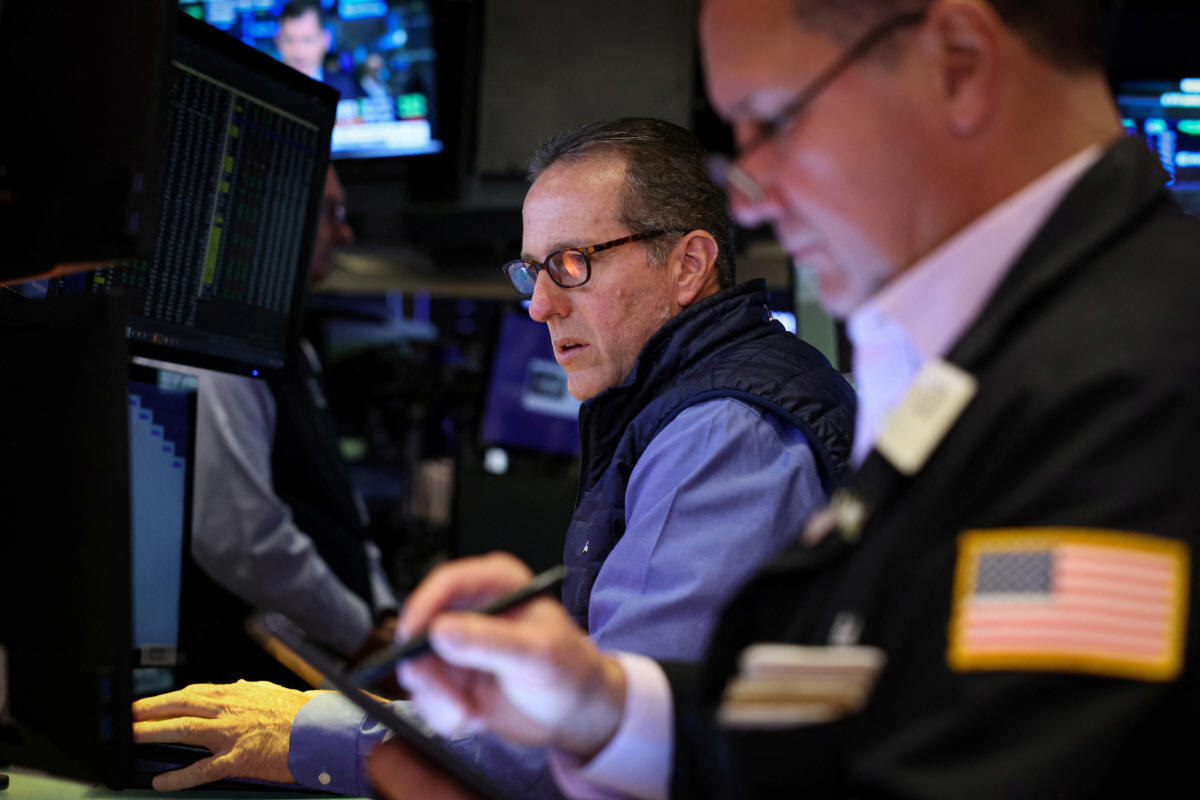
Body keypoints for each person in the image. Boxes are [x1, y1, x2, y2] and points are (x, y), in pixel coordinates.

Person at [382, 1, 1200, 798]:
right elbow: (877, 694)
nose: (751, 196)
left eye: (774, 120)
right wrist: (600, 707)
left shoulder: (1132, 374)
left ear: (959, 63)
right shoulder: (963, 352)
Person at [131, 118, 856, 796]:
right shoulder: (685, 408)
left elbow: (610, 744)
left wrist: (303, 730)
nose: (539, 305)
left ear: (688, 265)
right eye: (532, 271)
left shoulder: (723, 434)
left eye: (571, 264)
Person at [179, 165, 401, 690]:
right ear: (271, 221)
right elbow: (243, 540)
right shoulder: (220, 344)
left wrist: (386, 616)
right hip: (244, 680)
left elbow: (343, 511)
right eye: (332, 214)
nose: (345, 234)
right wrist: (362, 639)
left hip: (323, 669)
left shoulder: (291, 345)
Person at [275, 0, 365, 101]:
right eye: (289, 40)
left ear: (326, 40)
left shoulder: (346, 90)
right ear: (277, 41)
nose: (298, 51)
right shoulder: (266, 89)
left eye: (307, 40)